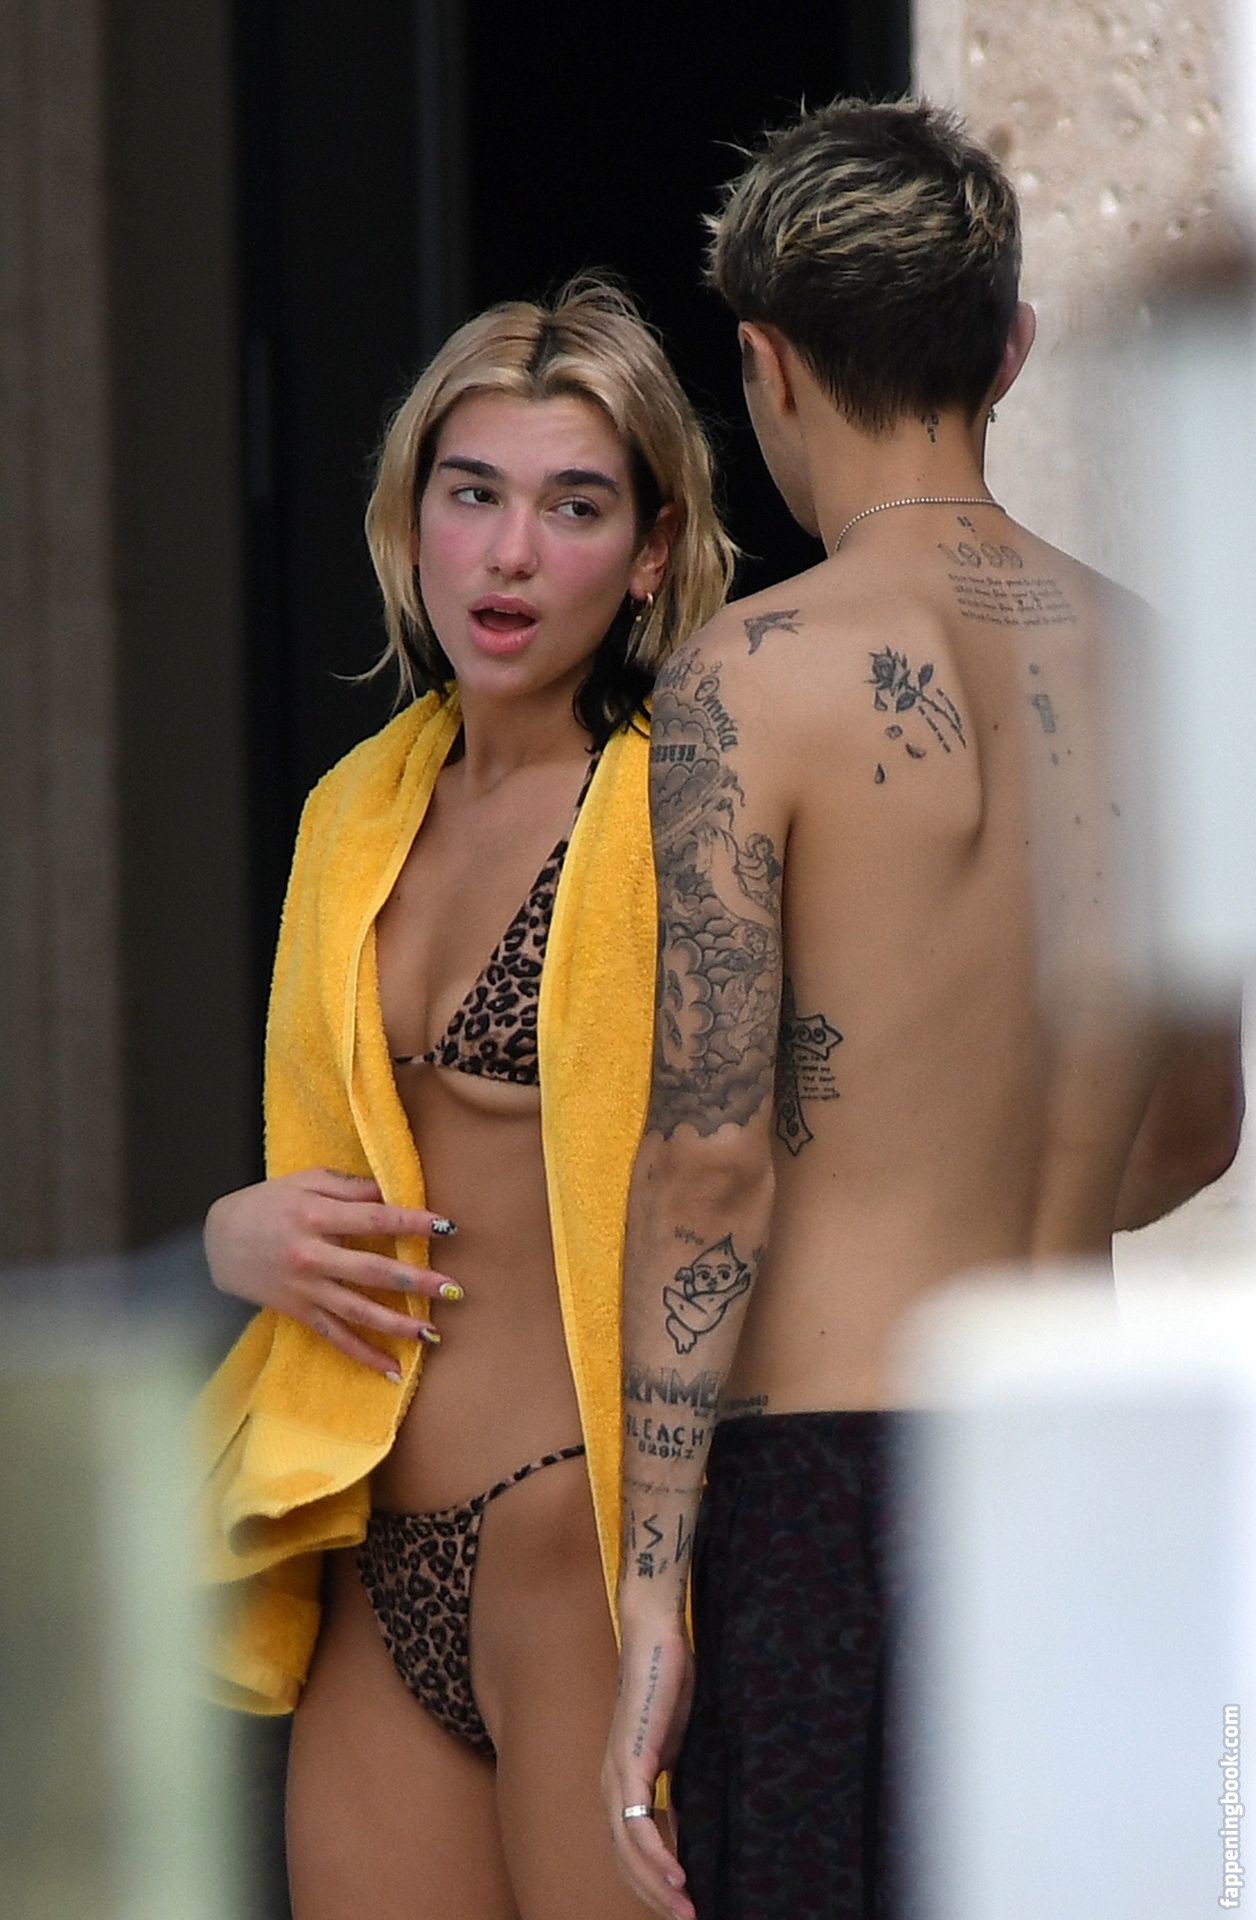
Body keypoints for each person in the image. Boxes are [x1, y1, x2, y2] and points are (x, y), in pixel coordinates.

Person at [602, 99, 1245, 1920]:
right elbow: (1199, 1129)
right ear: (1010, 348)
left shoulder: (751, 680)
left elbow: (711, 1162)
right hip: (1085, 1472)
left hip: (832, 1492)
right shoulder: (1163, 662)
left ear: (766, 365)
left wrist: (651, 1589)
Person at [195, 277, 734, 1920]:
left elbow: (762, 1179)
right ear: (408, 516)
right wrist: (231, 1237)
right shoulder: (352, 810)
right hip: (372, 1540)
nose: (508, 556)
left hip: (573, 1534)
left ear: (650, 552)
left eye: (573, 507)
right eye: (472, 493)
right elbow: (327, 1154)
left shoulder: (688, 803)